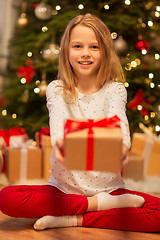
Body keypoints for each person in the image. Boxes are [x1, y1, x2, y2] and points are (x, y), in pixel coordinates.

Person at [0, 13, 160, 232]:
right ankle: (94, 206)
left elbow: (120, 124)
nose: (85, 54)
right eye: (77, 46)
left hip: (111, 191)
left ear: (105, 51)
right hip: (63, 191)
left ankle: (72, 218)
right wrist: (62, 146)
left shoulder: (115, 90)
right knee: (7, 197)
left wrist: (122, 147)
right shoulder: (57, 89)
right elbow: (59, 129)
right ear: (66, 50)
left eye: (94, 47)